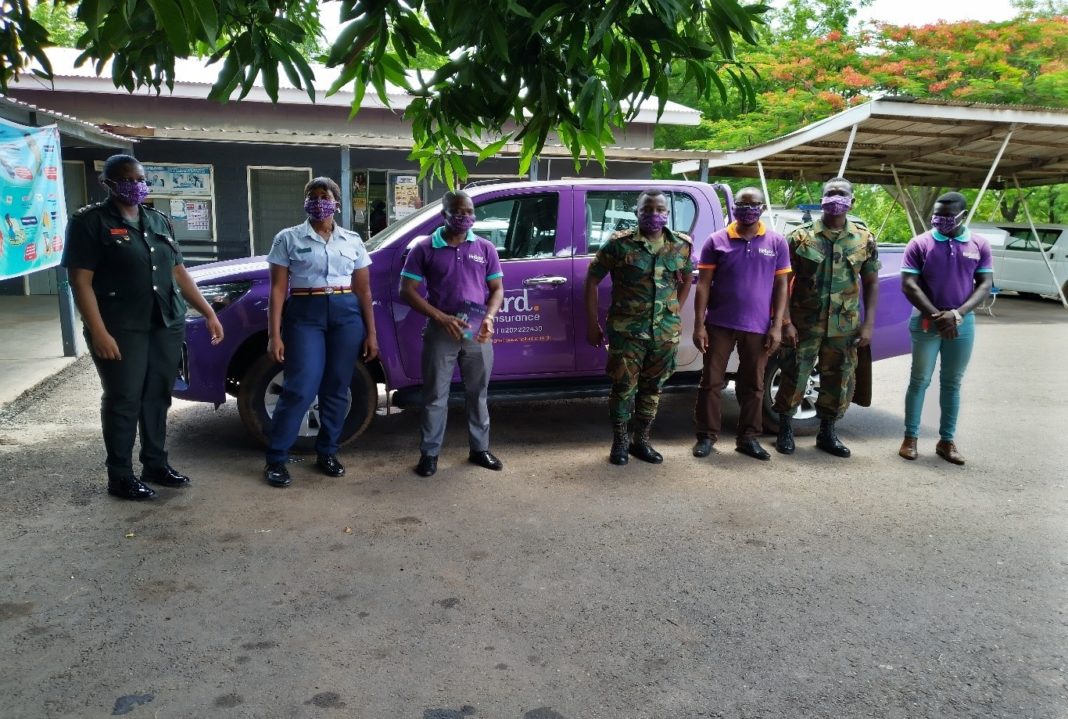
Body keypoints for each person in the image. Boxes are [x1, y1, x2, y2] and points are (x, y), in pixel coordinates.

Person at [62, 153, 224, 500]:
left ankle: (155, 464)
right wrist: (98, 331)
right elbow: (80, 281)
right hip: (120, 327)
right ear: (107, 183)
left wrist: (208, 312)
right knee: (124, 399)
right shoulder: (89, 222)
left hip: (165, 323)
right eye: (126, 180)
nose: (135, 186)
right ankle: (120, 476)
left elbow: (178, 272)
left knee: (157, 396)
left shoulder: (158, 220)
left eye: (140, 179)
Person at [262, 177, 378, 487]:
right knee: (300, 386)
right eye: (311, 196)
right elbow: (277, 290)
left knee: (337, 387)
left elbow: (364, 291)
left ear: (336, 203)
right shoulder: (288, 238)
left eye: (324, 196)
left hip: (346, 314)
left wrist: (372, 333)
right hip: (305, 313)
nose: (317, 202)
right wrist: (274, 335)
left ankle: (327, 452)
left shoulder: (352, 240)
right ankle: (276, 458)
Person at [400, 190, 504, 478]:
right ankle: (429, 454)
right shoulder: (424, 248)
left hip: (476, 330)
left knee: (478, 393)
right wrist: (439, 317)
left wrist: (489, 317)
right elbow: (406, 290)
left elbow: (497, 289)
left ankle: (480, 449)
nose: (465, 217)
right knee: (435, 395)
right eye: (458, 212)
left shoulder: (485, 248)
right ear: (443, 215)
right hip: (440, 329)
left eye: (469, 212)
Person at [773, 177, 880, 458]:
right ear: (821, 200)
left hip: (844, 325)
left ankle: (827, 432)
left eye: (841, 194)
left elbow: (871, 283)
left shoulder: (864, 239)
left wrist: (868, 324)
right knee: (794, 374)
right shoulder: (800, 237)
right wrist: (785, 322)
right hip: (804, 323)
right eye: (830, 193)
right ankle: (785, 429)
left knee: (839, 378)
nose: (835, 198)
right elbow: (781, 282)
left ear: (852, 201)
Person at [585, 189, 694, 465]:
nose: (653, 214)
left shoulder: (681, 245)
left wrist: (674, 310)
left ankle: (641, 441)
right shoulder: (619, 244)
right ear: (637, 212)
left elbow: (687, 279)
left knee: (653, 388)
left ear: (667, 213)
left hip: (665, 333)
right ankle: (620, 441)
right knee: (623, 387)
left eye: (659, 209)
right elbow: (592, 280)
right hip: (627, 332)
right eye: (647, 209)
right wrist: (592, 323)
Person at [692, 187, 790, 461]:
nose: (748, 209)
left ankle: (748, 438)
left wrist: (777, 325)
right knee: (711, 382)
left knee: (754, 385)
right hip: (719, 324)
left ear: (762, 208)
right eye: (742, 204)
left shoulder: (777, 242)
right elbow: (703, 285)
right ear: (733, 207)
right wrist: (699, 324)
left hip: (758, 326)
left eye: (753, 204)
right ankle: (706, 436)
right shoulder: (716, 241)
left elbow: (782, 285)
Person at [898, 192, 993, 465]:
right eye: (937, 215)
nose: (940, 220)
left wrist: (957, 314)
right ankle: (910, 438)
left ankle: (946, 441)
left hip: (962, 323)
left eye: (947, 216)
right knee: (920, 380)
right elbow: (909, 285)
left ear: (963, 216)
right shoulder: (920, 243)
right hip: (926, 320)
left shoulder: (979, 244)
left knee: (952, 383)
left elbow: (985, 284)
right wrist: (938, 316)